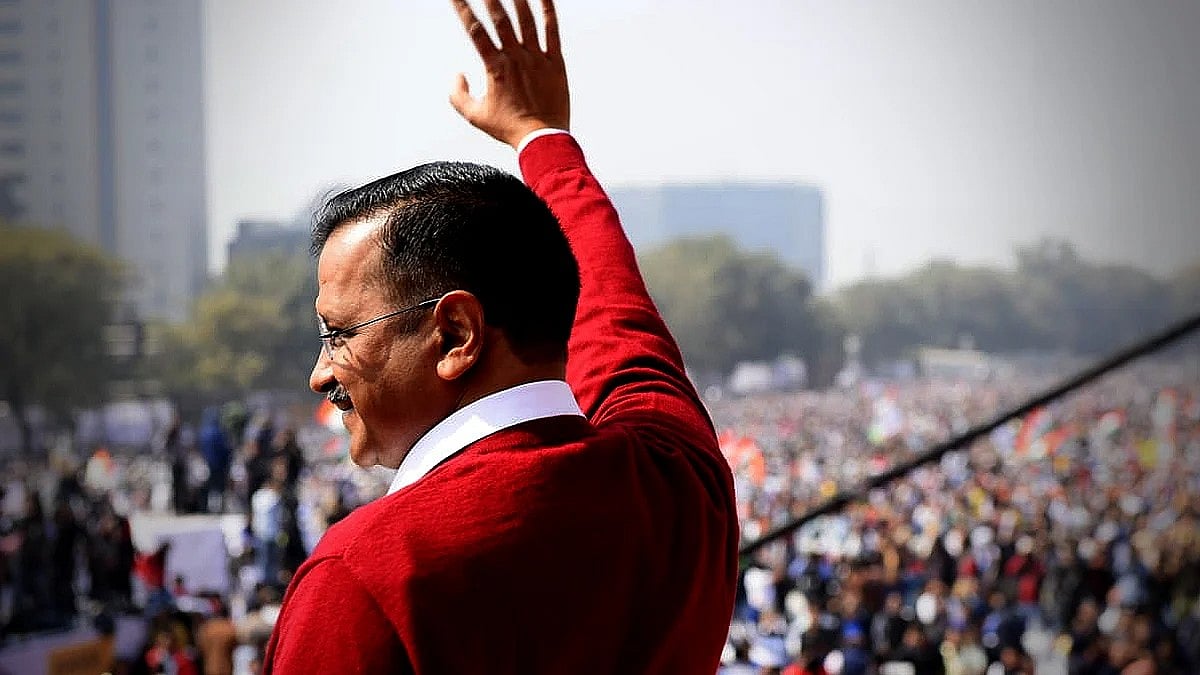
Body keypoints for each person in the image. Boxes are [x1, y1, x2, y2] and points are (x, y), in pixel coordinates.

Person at [262, 0, 737, 672]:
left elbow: (612, 317)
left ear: (456, 333)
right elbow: (618, 318)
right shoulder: (678, 486)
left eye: (339, 334)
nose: (321, 372)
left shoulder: (365, 579)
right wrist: (540, 137)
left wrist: (541, 137)